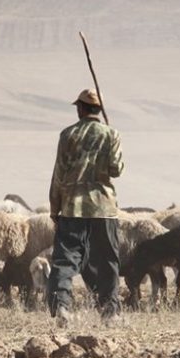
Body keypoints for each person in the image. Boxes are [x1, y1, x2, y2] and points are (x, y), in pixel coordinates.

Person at [47, 88, 124, 326]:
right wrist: (112, 141)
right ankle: (110, 314)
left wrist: (54, 207)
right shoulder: (111, 134)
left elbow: (59, 174)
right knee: (108, 261)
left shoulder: (67, 135)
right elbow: (117, 170)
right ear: (99, 110)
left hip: (72, 207)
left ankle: (61, 307)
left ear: (81, 109)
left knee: (65, 260)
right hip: (104, 208)